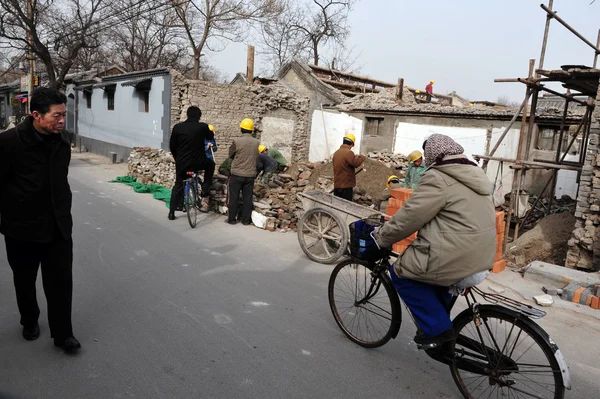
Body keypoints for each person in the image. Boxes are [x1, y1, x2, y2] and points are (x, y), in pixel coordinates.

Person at [373, 134, 496, 347]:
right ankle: (440, 321)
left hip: (456, 253)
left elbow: (411, 216)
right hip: (483, 255)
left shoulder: (438, 177)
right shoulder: (476, 174)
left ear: (432, 155)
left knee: (400, 274)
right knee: (436, 281)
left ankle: (438, 331)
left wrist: (382, 237)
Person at [0, 87, 81, 352]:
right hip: (21, 229)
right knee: (24, 281)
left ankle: (63, 334)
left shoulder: (62, 140)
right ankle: (29, 320)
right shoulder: (9, 142)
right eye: (56, 116)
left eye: (64, 115)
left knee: (61, 283)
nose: (62, 121)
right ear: (36, 115)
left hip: (58, 228)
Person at [168, 106, 214, 220]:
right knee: (211, 164)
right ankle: (205, 189)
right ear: (199, 116)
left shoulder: (177, 127)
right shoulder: (203, 127)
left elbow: (172, 146)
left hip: (182, 163)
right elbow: (210, 136)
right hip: (199, 162)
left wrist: (177, 159)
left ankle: (171, 212)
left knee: (178, 185)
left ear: (187, 115)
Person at [227, 118, 259, 225]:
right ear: (251, 130)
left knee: (234, 197)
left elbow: (230, 155)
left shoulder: (237, 141)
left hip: (236, 174)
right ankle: (246, 220)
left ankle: (232, 219)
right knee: (247, 199)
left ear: (241, 129)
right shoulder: (256, 142)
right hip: (250, 175)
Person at [332, 133, 366, 201]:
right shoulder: (348, 153)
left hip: (337, 185)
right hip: (345, 185)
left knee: (337, 204)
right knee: (345, 206)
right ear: (352, 144)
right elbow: (356, 163)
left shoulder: (336, 153)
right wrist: (362, 157)